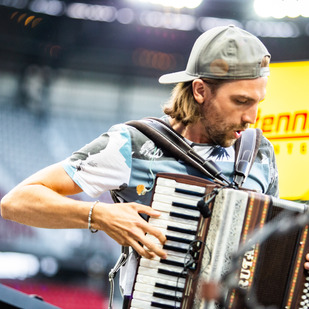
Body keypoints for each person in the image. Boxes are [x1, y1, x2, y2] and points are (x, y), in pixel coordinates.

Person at [1, 25, 309, 306]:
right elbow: (16, 201)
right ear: (200, 90)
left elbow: (271, 243)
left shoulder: (260, 152)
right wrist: (100, 215)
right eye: (241, 102)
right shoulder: (132, 144)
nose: (252, 117)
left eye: (258, 102)